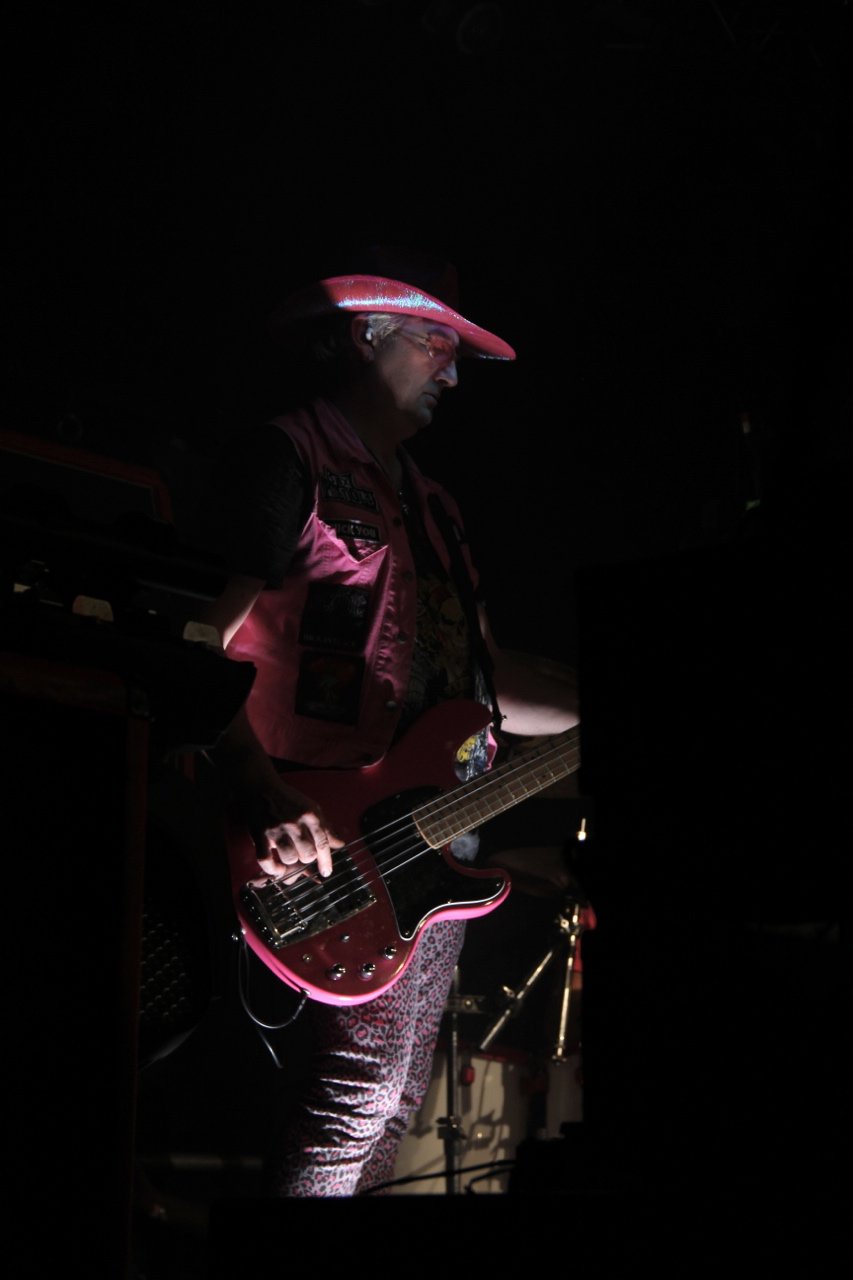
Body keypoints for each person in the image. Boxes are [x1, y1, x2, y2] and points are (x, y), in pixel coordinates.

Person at [198, 244, 580, 1196]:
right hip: (314, 829)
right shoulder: (286, 457)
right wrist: (257, 786)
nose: (453, 373)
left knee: (394, 1102)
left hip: (433, 838)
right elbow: (193, 637)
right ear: (364, 339)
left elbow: (486, 684)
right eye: (435, 344)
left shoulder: (437, 508)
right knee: (354, 1096)